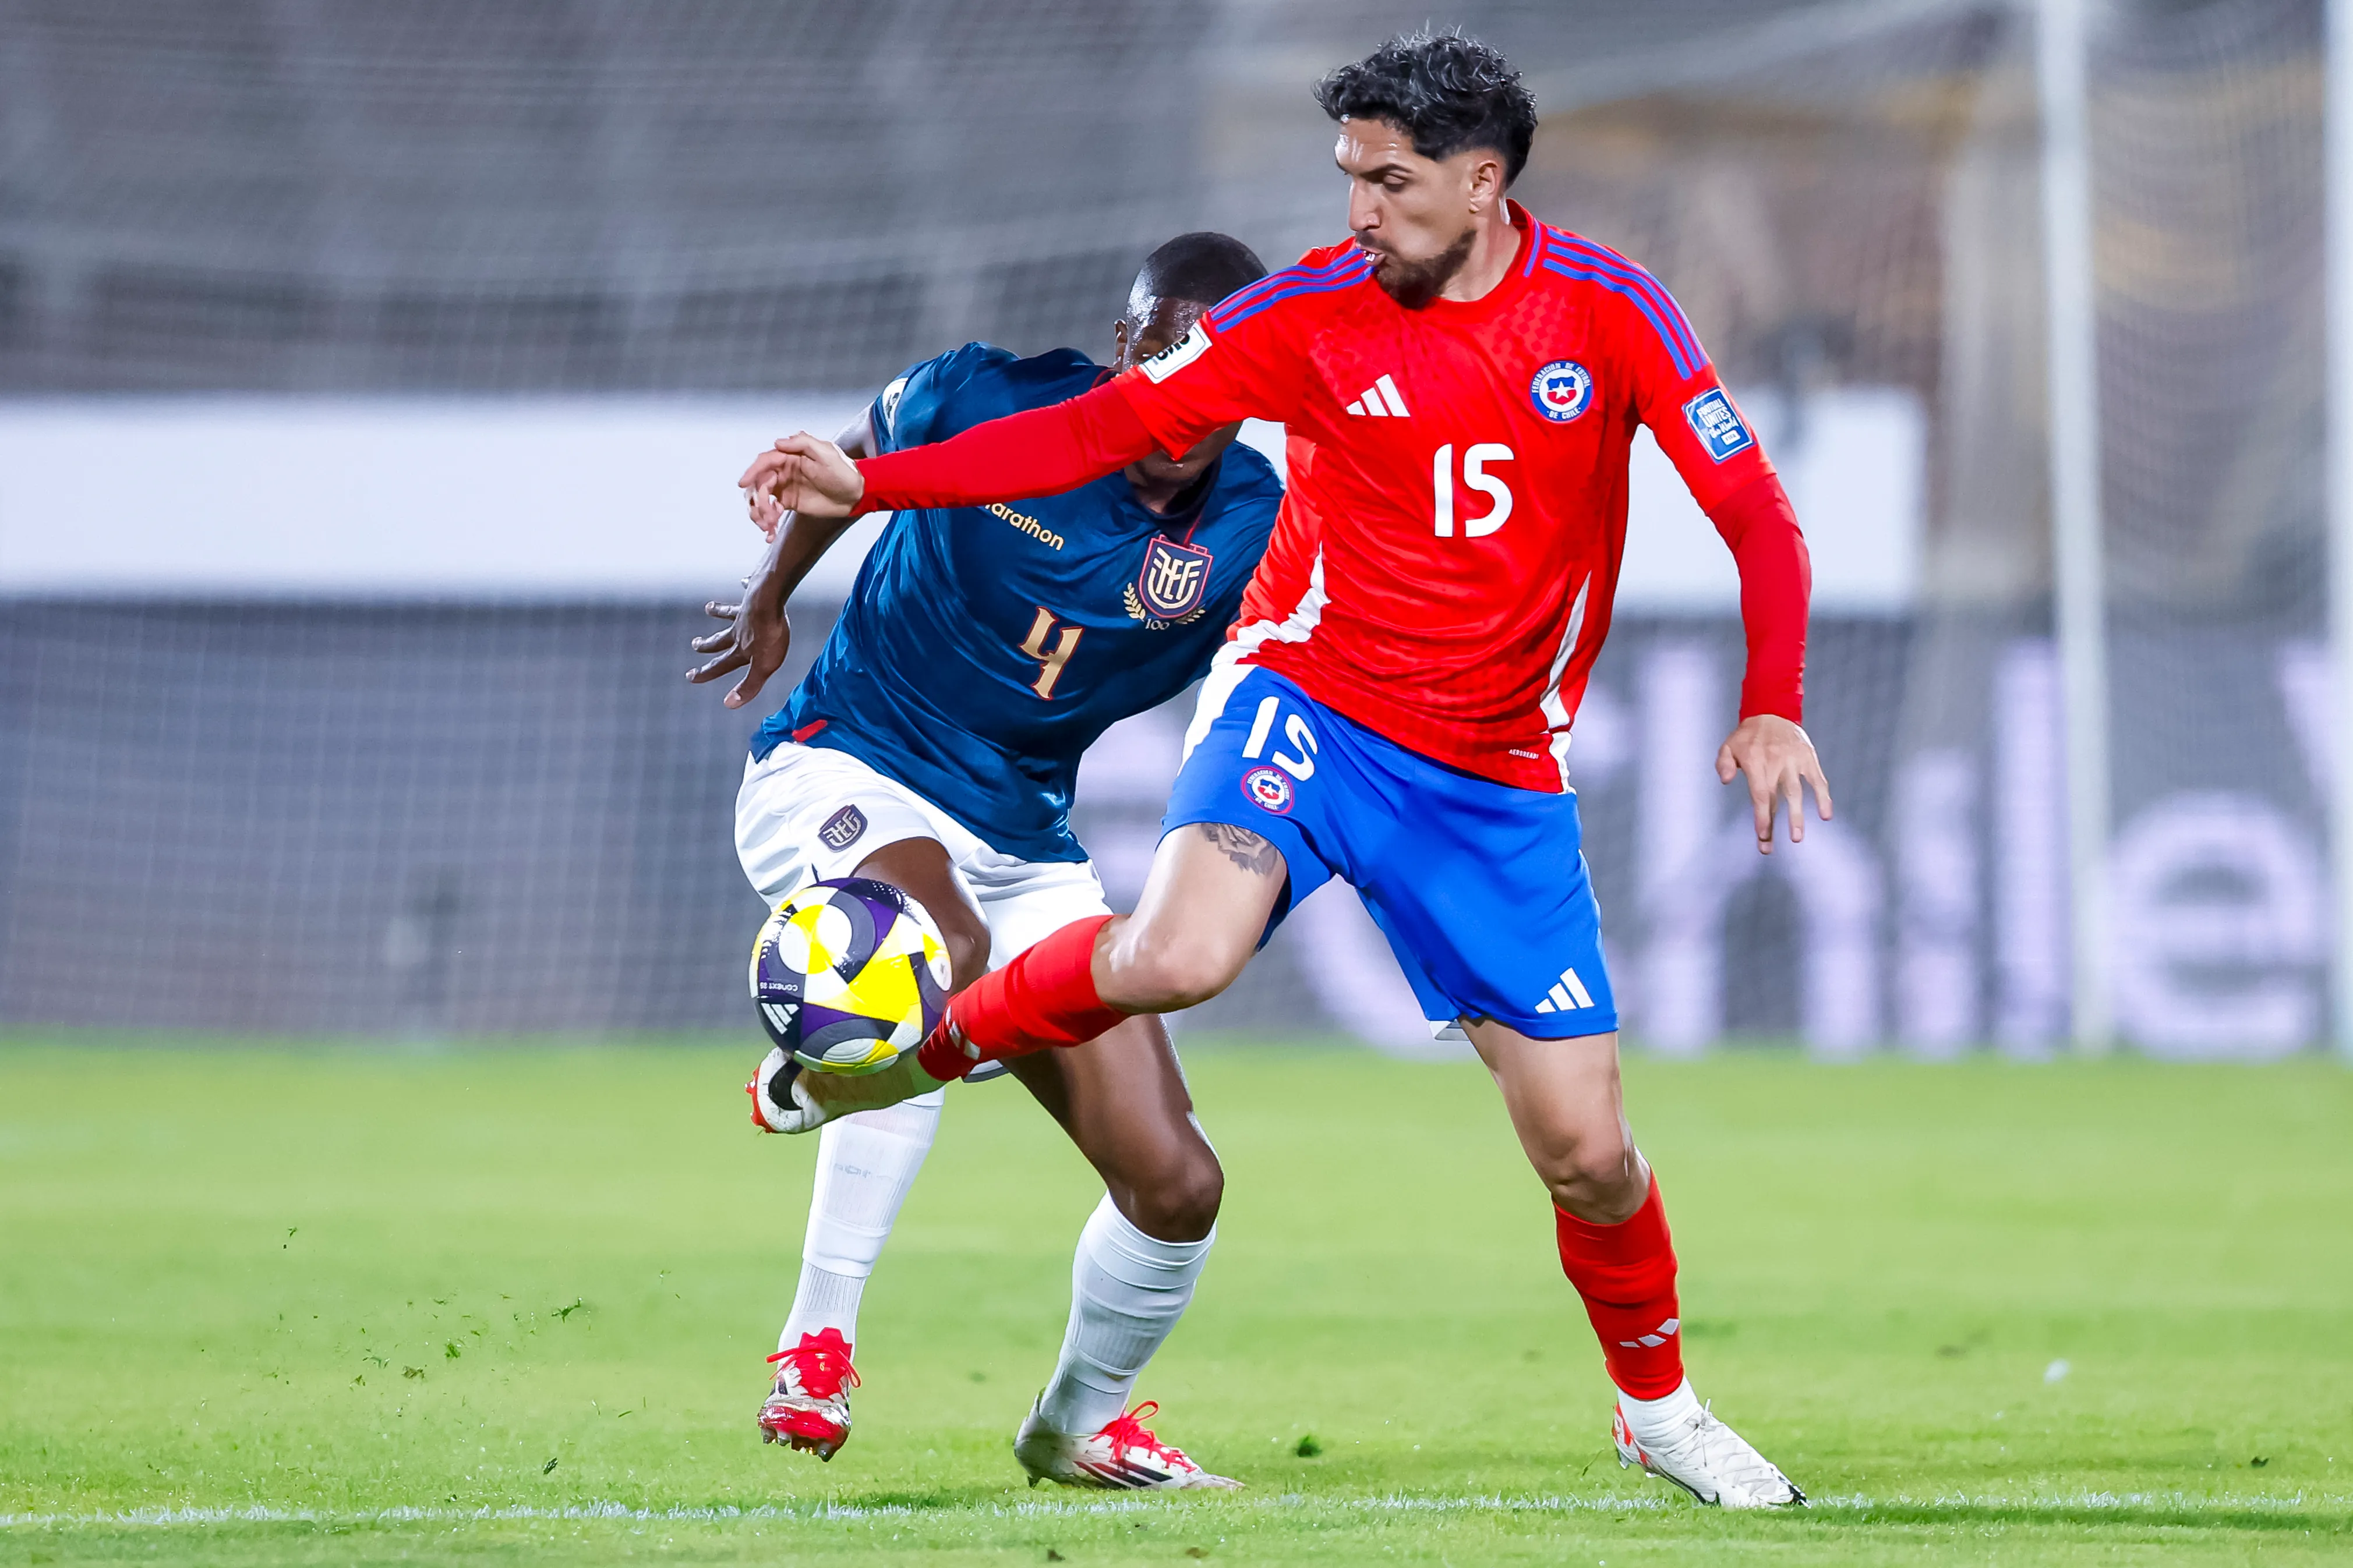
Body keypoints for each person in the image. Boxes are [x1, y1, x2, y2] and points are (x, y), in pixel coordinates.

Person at [739, 34, 1833, 1511]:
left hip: (1494, 771)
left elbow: (1757, 515)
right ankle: (888, 1062)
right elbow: (1099, 425)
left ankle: (1658, 1408)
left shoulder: (1612, 315)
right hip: (1305, 706)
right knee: (1178, 952)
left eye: (1388, 181)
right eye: (1348, 178)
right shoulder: (1309, 309)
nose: (1360, 209)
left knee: (1589, 1155)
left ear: (1483, 179)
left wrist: (1772, 702)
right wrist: (873, 484)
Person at [695, 232, 1279, 1489]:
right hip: (849, 764)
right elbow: (843, 469)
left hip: (1025, 839)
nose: (1178, 389)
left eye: (1215, 363)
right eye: (1159, 350)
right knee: (932, 950)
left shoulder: (1256, 520)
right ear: (1124, 349)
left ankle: (1077, 1422)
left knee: (1176, 1182)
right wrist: (770, 591)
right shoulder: (988, 394)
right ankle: (817, 1337)